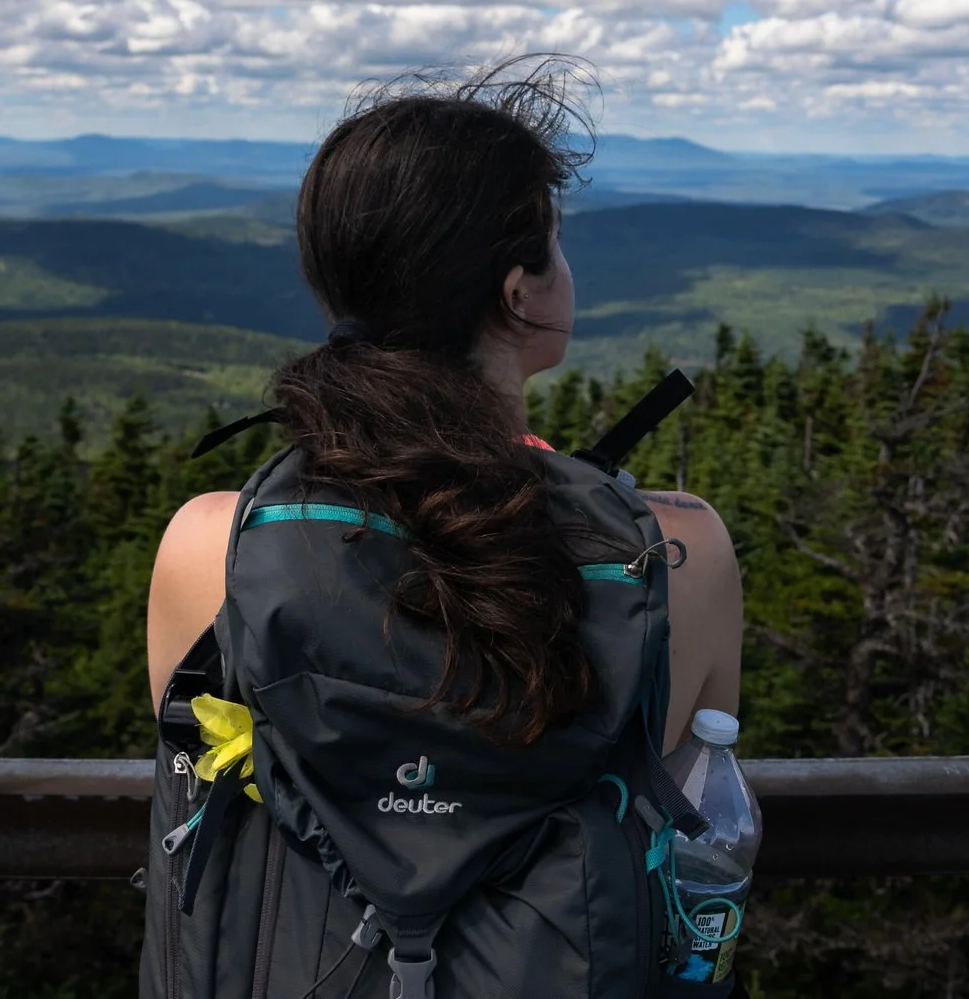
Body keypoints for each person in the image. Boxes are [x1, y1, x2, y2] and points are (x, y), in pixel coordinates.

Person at [146, 59, 741, 756]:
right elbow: (693, 791)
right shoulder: (674, 554)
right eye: (557, 242)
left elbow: (197, 780)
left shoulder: (213, 546)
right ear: (519, 293)